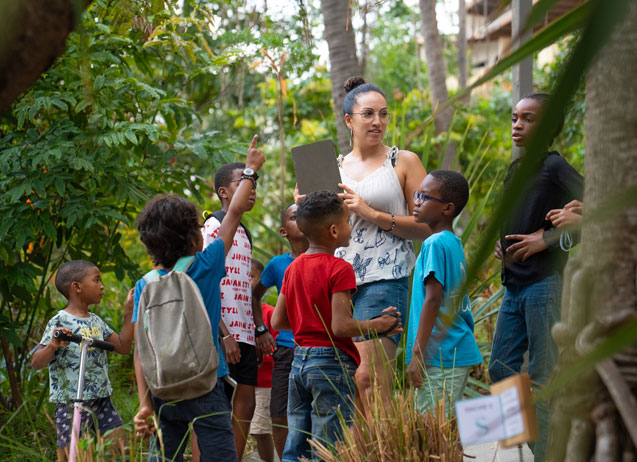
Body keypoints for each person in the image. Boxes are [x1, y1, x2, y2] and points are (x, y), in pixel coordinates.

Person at [131, 135, 265, 462]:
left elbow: (141, 349)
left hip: (163, 391)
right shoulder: (206, 265)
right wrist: (249, 170)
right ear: (194, 236)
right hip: (207, 384)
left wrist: (145, 403)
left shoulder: (144, 285)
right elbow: (232, 215)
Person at [271, 191, 402, 462]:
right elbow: (341, 326)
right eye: (347, 222)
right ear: (333, 230)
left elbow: (277, 321)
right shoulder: (340, 268)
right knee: (328, 441)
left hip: (299, 361)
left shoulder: (293, 268)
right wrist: (378, 325)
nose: (350, 228)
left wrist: (308, 323)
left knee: (296, 441)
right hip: (331, 363)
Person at [489, 93, 583, 462]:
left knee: (543, 376)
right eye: (515, 118)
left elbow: (591, 210)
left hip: (544, 284)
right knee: (500, 368)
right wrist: (502, 246)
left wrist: (545, 240)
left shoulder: (554, 166)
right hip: (514, 286)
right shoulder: (517, 169)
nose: (517, 125)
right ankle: (525, 449)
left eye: (528, 119)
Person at [335, 76, 430, 410]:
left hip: (384, 278)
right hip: (339, 285)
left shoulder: (402, 161)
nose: (378, 121)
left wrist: (370, 213)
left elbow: (427, 225)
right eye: (368, 114)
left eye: (384, 114)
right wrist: (305, 205)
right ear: (349, 120)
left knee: (371, 379)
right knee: (349, 383)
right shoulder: (335, 168)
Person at [202, 161, 276, 461]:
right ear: (223, 192)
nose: (252, 190)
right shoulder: (212, 226)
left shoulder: (243, 232)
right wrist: (225, 334)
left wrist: (258, 329)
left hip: (246, 333)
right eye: (243, 183)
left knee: (246, 401)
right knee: (218, 403)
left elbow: (246, 290)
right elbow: (204, 284)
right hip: (222, 334)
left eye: (255, 185)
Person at [32, 260, 134, 462]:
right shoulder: (60, 321)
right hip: (71, 401)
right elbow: (36, 362)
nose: (102, 286)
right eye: (96, 280)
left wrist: (129, 313)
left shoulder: (96, 321)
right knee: (75, 454)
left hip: (101, 399)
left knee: (119, 446)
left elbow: (122, 347)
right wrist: (53, 345)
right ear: (76, 287)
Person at [405, 171, 483, 413]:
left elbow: (433, 299)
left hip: (440, 356)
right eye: (417, 195)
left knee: (431, 435)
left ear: (448, 208)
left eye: (425, 197)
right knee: (444, 435)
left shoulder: (434, 244)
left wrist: (417, 354)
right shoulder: (453, 243)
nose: (416, 202)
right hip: (454, 351)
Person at [252, 203, 309, 459]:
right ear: (283, 231)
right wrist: (261, 329)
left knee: (314, 409)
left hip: (320, 347)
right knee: (278, 412)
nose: (301, 220)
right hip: (285, 349)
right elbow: (254, 297)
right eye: (295, 217)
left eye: (305, 216)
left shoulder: (331, 258)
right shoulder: (277, 265)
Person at [249, 259, 277, 462]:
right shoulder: (231, 313)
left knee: (261, 429)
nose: (245, 280)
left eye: (251, 277)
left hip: (264, 382)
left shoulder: (269, 313)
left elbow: (277, 346)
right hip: (239, 382)